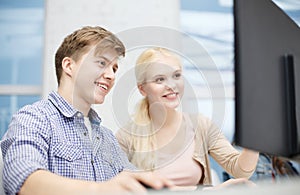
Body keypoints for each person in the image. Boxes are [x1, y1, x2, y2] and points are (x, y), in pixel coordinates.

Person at [0, 27, 173, 195]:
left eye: (114, 68)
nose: (111, 75)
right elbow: (25, 181)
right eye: (101, 63)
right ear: (69, 66)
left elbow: (133, 180)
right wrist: (103, 190)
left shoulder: (107, 138)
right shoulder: (34, 119)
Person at [116, 47, 259, 188]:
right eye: (160, 79)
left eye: (176, 75)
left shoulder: (201, 125)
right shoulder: (126, 137)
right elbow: (117, 188)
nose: (171, 85)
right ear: (142, 89)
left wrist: (255, 132)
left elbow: (241, 171)